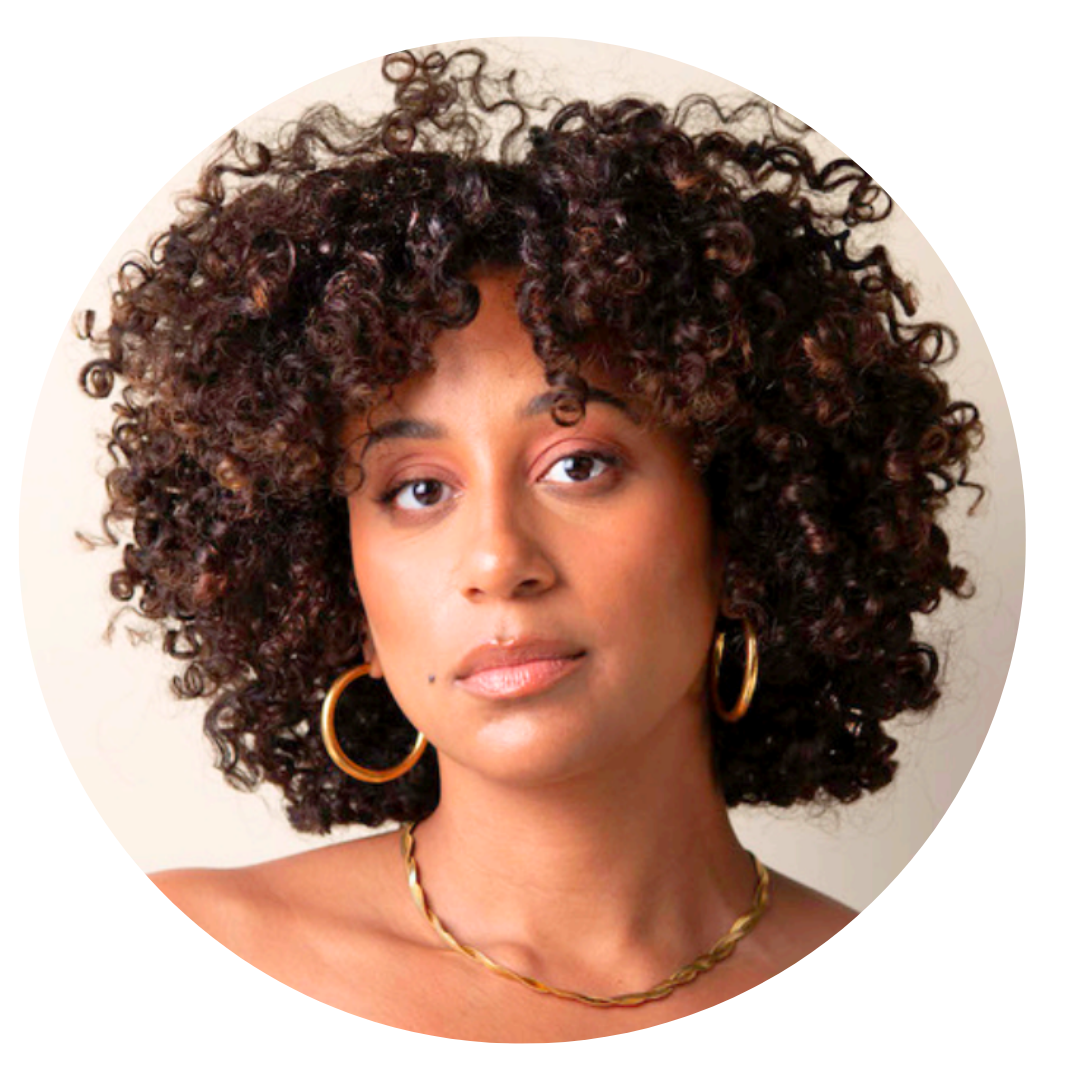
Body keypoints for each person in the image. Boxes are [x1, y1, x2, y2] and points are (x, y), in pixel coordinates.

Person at [78, 47, 981, 1041]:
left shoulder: (917, 1022)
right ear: (346, 597)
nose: (499, 559)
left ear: (744, 526)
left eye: (579, 465)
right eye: (418, 490)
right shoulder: (167, 968)